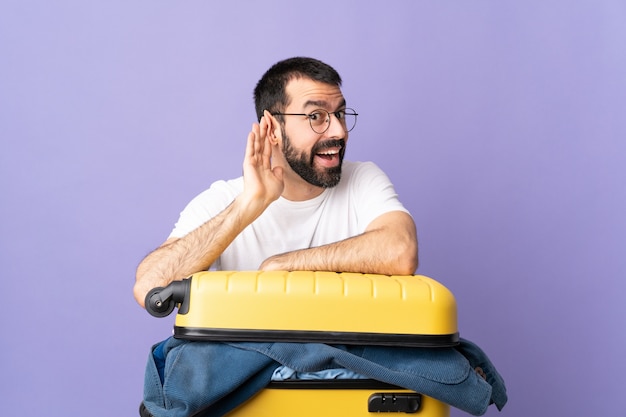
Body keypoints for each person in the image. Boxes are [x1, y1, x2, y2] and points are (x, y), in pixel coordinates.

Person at [133, 56, 418, 308]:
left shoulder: (362, 179)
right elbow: (150, 287)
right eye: (316, 116)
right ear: (272, 129)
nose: (339, 131)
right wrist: (247, 206)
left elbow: (400, 251)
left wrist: (283, 265)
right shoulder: (224, 199)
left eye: (340, 114)